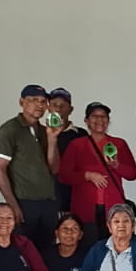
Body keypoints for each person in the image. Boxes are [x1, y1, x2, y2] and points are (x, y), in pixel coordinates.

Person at [57, 101, 136, 241]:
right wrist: (87, 175)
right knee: (87, 246)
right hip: (85, 208)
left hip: (113, 209)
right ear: (86, 121)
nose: (99, 120)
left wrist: (117, 165)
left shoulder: (119, 144)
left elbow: (132, 174)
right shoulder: (76, 145)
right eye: (95, 116)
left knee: (115, 246)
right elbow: (64, 176)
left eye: (103, 116)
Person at [0, 83, 63, 244]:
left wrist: (52, 139)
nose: (39, 105)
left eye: (43, 101)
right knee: (23, 250)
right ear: (22, 102)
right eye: (33, 100)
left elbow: (54, 168)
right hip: (24, 202)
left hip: (49, 202)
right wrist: (12, 204)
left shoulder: (45, 131)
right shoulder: (10, 129)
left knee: (47, 250)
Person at [48, 86, 87, 215]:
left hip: (76, 198)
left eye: (63, 105)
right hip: (48, 200)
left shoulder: (81, 134)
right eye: (54, 105)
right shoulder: (40, 134)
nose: (58, 109)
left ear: (70, 110)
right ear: (48, 108)